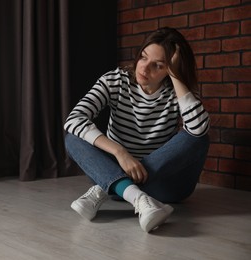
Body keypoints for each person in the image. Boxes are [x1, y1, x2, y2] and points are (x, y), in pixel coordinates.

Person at [64, 27, 210, 232]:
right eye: (143, 57)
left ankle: (107, 188)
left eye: (158, 65)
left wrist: (177, 76)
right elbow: (74, 119)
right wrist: (120, 152)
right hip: (116, 175)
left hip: (162, 185)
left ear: (170, 70)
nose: (144, 68)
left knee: (198, 138)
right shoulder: (115, 80)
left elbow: (199, 130)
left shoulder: (177, 92)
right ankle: (138, 198)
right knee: (73, 138)